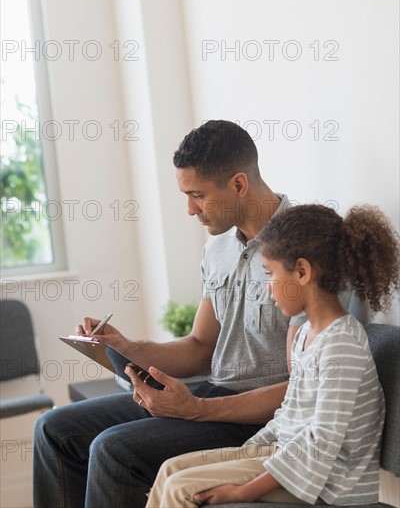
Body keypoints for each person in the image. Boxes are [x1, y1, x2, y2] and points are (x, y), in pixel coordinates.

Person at [34, 120, 317, 507]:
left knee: (113, 450)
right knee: (53, 429)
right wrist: (125, 346)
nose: (189, 210)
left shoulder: (305, 249)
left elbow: (302, 389)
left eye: (198, 195)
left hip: (257, 416)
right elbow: (199, 346)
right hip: (211, 393)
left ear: (238, 184)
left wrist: (197, 410)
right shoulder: (217, 249)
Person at [146, 203, 400, 507]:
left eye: (270, 274)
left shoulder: (341, 345)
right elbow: (287, 419)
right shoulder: (305, 334)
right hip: (288, 459)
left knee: (179, 488)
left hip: (327, 485)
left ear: (303, 272)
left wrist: (243, 491)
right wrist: (241, 455)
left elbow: (320, 444)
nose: (268, 289)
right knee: (171, 469)